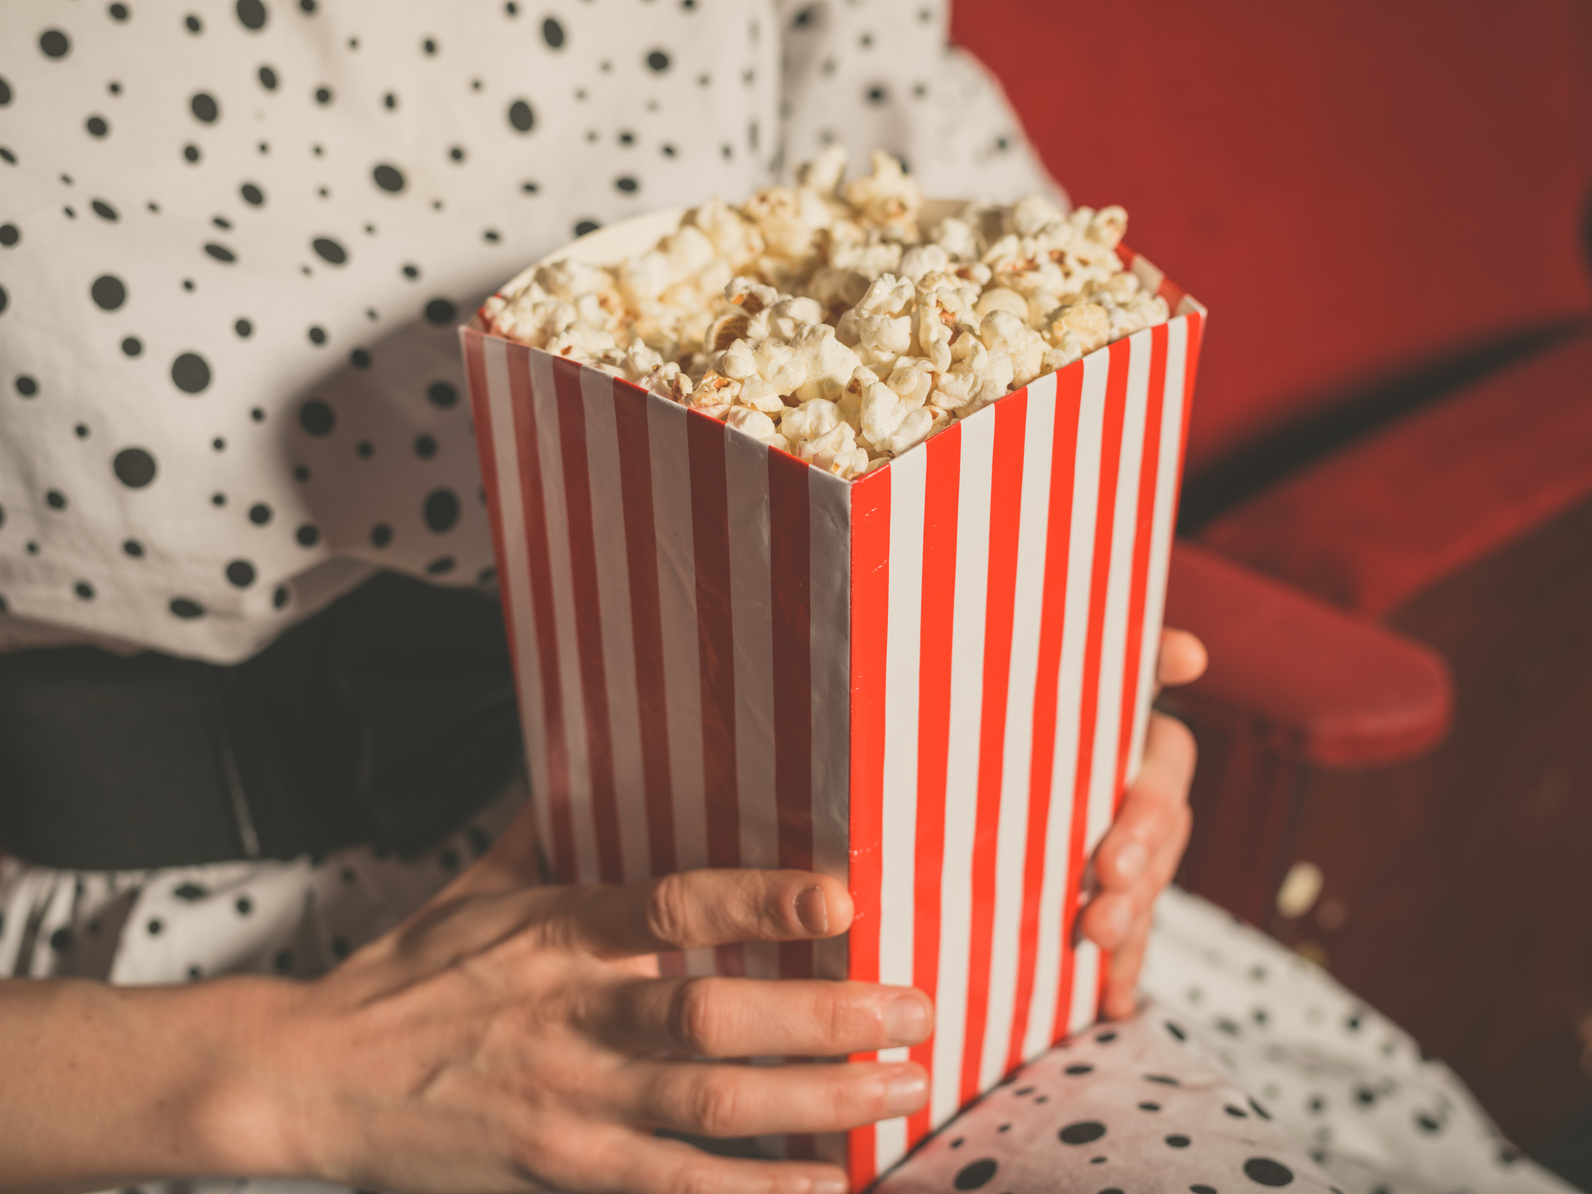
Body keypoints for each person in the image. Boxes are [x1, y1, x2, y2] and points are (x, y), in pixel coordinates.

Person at [0, 3, 1570, 1192]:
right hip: (174, 1006)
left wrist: (1070, 684)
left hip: (854, 921)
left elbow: (997, 325)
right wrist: (278, 1079)